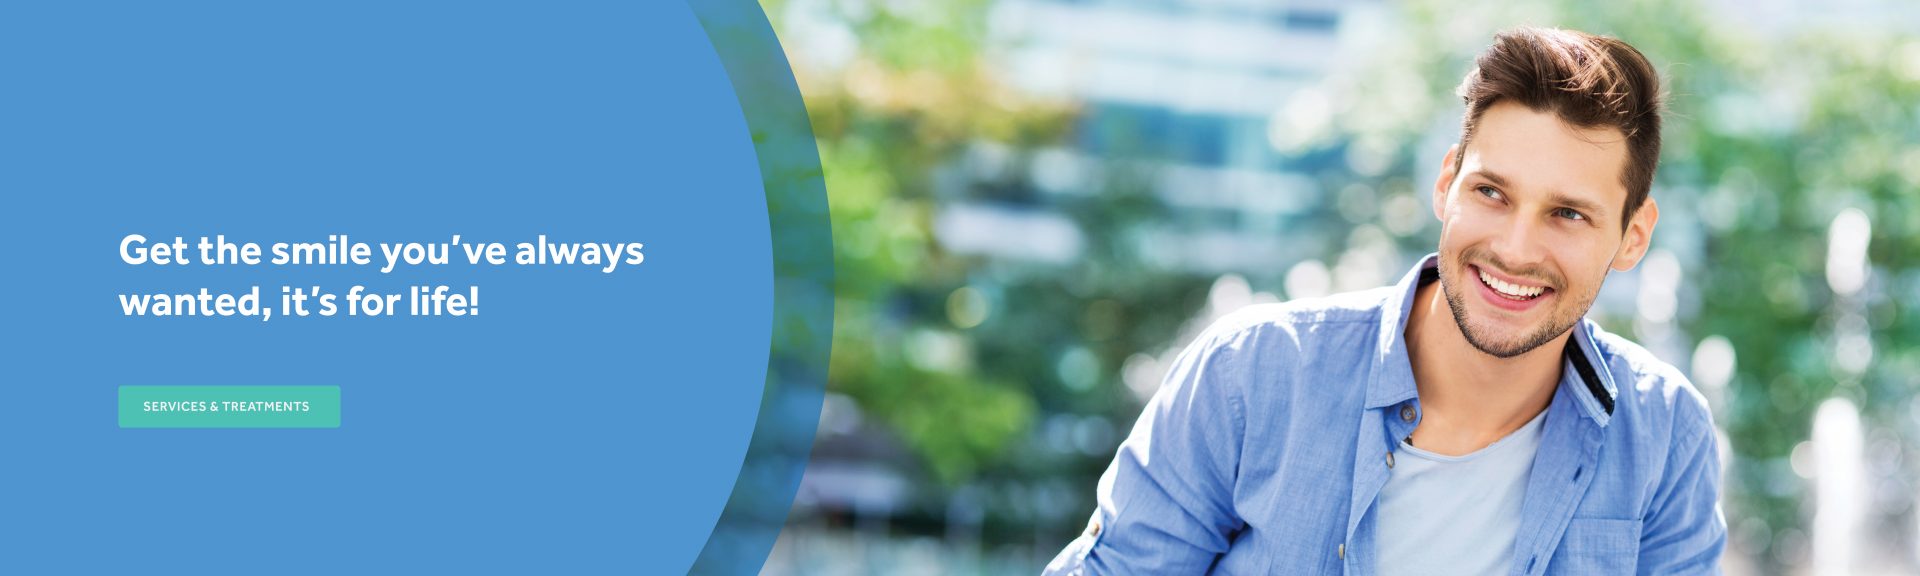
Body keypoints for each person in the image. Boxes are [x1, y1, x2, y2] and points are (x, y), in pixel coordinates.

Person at [1045, 27, 1724, 575]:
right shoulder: (1251, 371)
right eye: (1492, 193)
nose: (1516, 249)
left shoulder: (1665, 435)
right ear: (1447, 184)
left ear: (1633, 237)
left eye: (1567, 214)